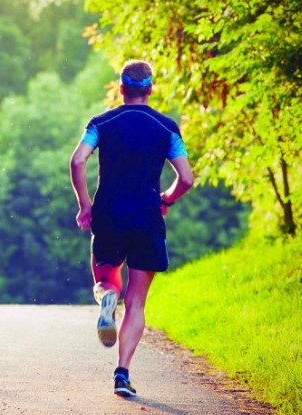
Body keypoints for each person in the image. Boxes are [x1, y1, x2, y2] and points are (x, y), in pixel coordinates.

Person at [69, 60, 193, 397]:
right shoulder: (166, 128)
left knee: (105, 280)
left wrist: (85, 205)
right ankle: (122, 374)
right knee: (136, 302)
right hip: (147, 219)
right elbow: (187, 178)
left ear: (121, 89)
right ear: (150, 89)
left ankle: (106, 298)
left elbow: (78, 160)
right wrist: (166, 199)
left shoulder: (102, 123)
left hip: (108, 215)